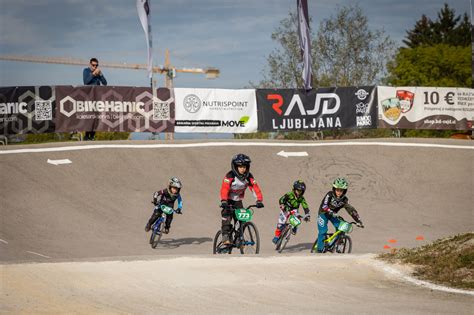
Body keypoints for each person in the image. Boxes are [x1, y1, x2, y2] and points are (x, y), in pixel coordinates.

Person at [220, 153, 264, 245]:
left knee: (242, 219)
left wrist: (259, 200)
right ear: (235, 167)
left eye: (244, 167)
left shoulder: (249, 177)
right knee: (227, 216)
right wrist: (223, 200)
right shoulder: (230, 176)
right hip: (227, 200)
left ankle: (239, 237)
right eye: (240, 167)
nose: (243, 169)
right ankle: (225, 236)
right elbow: (224, 188)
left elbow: (255, 188)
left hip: (238, 201)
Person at [315, 177, 364, 253]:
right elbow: (324, 205)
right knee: (322, 231)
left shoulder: (344, 200)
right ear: (334, 189)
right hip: (323, 214)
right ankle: (319, 251)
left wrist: (358, 220)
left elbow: (351, 210)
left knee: (342, 227)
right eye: (337, 190)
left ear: (344, 191)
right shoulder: (329, 194)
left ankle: (338, 244)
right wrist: (330, 211)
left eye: (341, 190)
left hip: (333, 215)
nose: (339, 192)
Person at [272, 180, 311, 244]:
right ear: (294, 189)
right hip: (286, 208)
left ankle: (294, 227)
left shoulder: (301, 198)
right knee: (280, 224)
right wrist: (282, 205)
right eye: (298, 190)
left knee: (298, 218)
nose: (299, 192)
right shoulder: (289, 194)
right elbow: (281, 199)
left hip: (294, 210)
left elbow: (305, 205)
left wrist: (307, 214)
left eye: (301, 191)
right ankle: (276, 236)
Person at [82, 57, 107, 140]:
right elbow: (86, 82)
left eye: (96, 65)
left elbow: (105, 83)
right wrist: (93, 74)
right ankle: (86, 135)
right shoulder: (86, 71)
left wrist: (100, 74)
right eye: (93, 65)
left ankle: (92, 135)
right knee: (90, 116)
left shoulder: (98, 73)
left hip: (97, 97)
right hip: (89, 97)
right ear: (90, 64)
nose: (95, 67)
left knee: (97, 117)